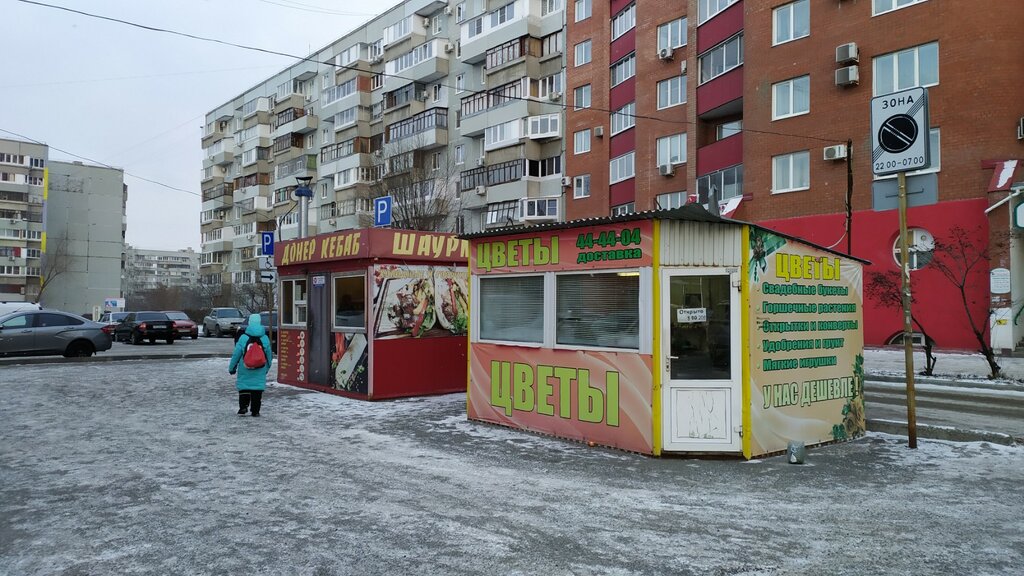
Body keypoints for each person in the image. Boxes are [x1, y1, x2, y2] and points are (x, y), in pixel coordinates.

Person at [228, 313, 273, 417]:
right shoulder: (265, 338)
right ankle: (255, 411)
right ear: (260, 322)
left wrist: (232, 368)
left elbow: (236, 354)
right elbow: (269, 355)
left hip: (245, 368)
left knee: (244, 387)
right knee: (257, 390)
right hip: (260, 368)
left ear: (249, 323)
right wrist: (267, 367)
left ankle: (243, 407)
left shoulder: (243, 338)